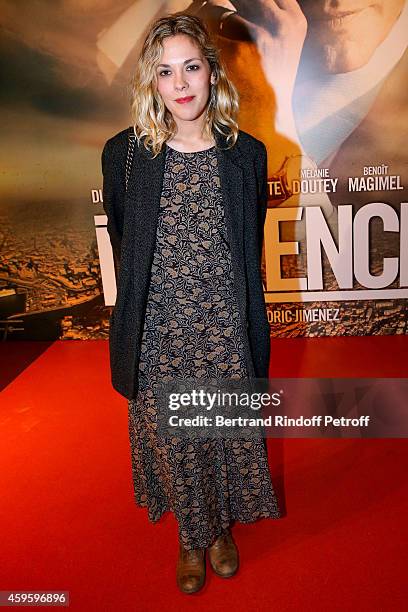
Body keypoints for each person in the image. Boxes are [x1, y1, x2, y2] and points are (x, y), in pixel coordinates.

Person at [101, 12, 281, 595]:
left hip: (224, 323)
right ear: (151, 84)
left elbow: (247, 244)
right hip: (159, 326)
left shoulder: (247, 155)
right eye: (165, 72)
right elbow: (127, 242)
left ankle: (220, 526)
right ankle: (189, 533)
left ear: (211, 73)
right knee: (176, 435)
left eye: (191, 67)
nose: (180, 84)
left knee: (222, 430)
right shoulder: (124, 155)